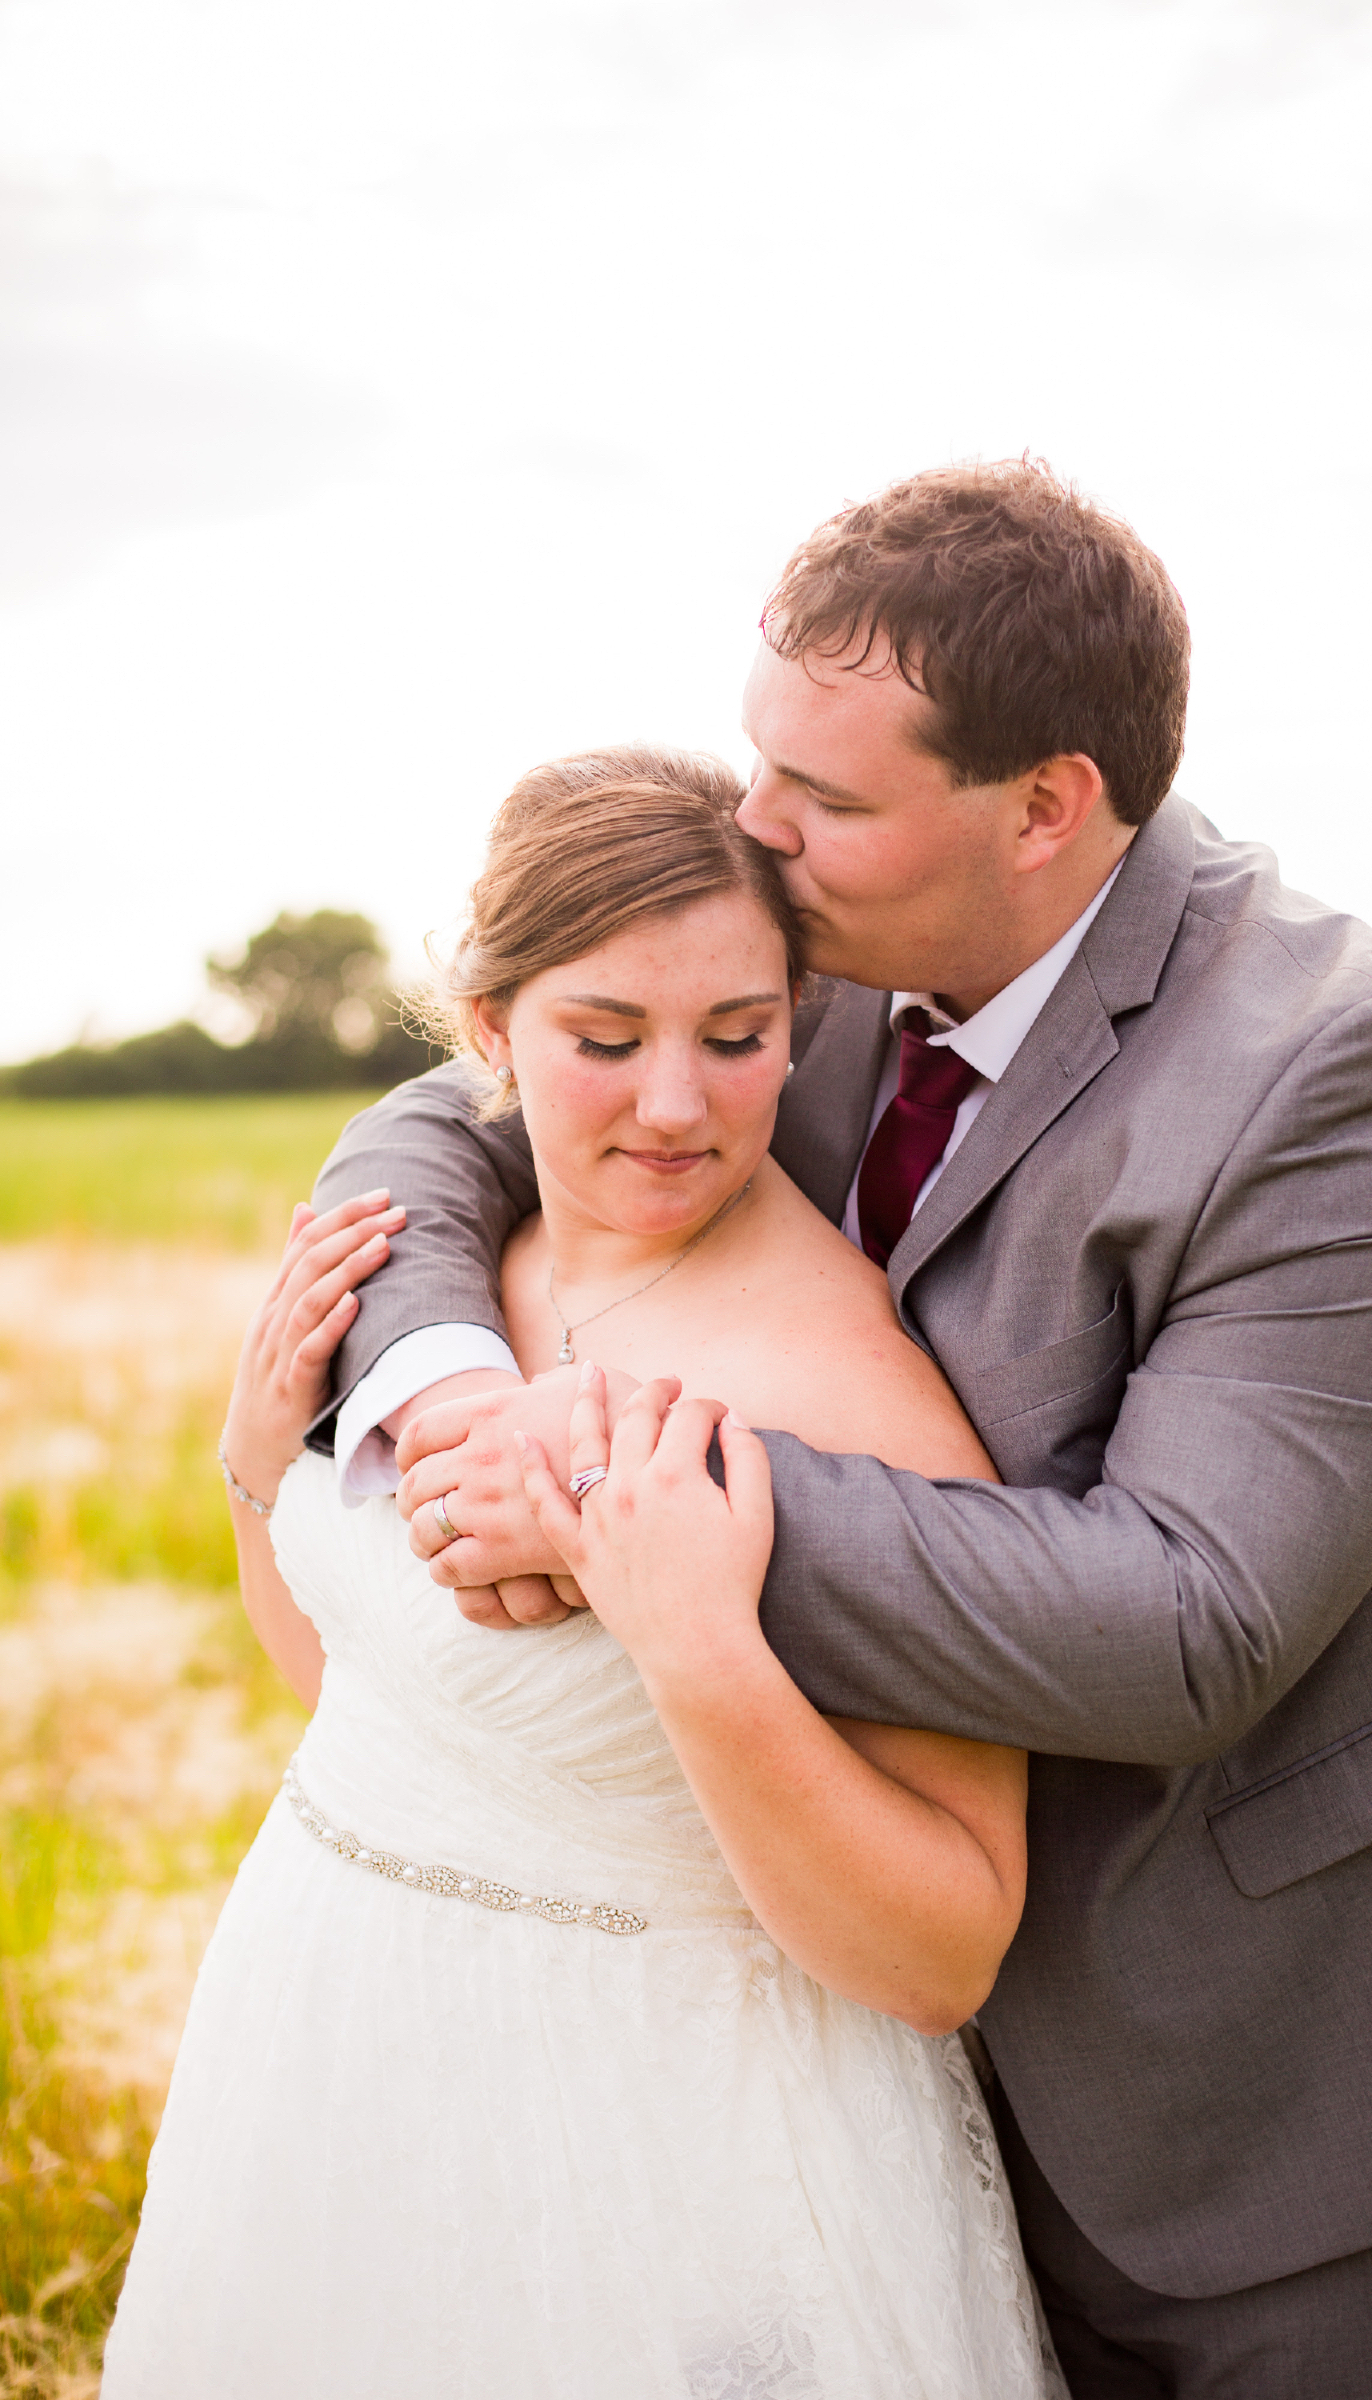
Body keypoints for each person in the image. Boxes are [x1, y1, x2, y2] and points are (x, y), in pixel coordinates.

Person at [314, 461, 1372, 2396]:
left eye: (821, 797)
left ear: (1047, 806)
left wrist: (616, 1489)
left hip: (1334, 2094)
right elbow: (448, 1120)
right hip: (907, 2082)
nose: (754, 830)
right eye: (762, 761)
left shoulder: (1338, 1070)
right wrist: (446, 1395)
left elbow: (1187, 1624)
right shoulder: (811, 958)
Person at [101, 751, 1064, 2400]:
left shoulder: (848, 1393)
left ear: (803, 1016)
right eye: (605, 1042)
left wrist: (697, 1642)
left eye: (739, 1037)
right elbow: (376, 1715)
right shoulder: (448, 1277)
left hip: (665, 2153)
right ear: (489, 1028)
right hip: (332, 2063)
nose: (676, 1105)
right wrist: (260, 1471)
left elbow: (948, 1952)